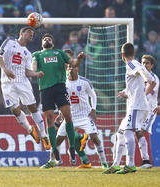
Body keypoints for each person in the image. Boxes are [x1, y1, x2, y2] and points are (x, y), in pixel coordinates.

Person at [40, 49, 108, 169]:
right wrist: (61, 112)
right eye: (69, 68)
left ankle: (104, 164)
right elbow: (60, 99)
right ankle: (52, 161)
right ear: (66, 69)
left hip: (85, 116)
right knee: (57, 141)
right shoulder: (63, 83)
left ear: (77, 68)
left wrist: (93, 110)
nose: (71, 69)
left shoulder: (85, 82)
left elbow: (93, 95)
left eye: (73, 67)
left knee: (96, 139)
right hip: (69, 118)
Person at [32, 33, 86, 165]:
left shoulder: (59, 53)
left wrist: (79, 59)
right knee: (49, 119)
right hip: (45, 90)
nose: (47, 39)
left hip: (60, 88)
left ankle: (72, 148)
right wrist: (34, 72)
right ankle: (55, 150)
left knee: (67, 115)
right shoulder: (37, 54)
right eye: (44, 39)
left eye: (49, 38)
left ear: (53, 43)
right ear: (42, 44)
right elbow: (33, 65)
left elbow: (73, 63)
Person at [103, 43, 155, 174]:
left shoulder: (131, 64)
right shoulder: (136, 63)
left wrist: (145, 79)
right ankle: (115, 165)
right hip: (135, 105)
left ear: (122, 55)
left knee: (128, 132)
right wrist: (127, 93)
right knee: (120, 133)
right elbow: (145, 81)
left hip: (137, 106)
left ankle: (130, 165)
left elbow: (145, 76)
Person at [0, 27, 51, 150]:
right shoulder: (9, 42)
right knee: (14, 109)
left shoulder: (27, 53)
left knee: (32, 107)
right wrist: (5, 69)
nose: (31, 35)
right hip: (7, 82)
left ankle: (44, 134)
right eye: (29, 32)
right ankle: (30, 129)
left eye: (32, 34)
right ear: (21, 33)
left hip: (23, 82)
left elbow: (27, 71)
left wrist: (36, 74)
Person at [136, 55, 159, 168]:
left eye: (147, 63)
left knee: (140, 132)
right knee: (137, 133)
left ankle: (146, 161)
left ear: (152, 65)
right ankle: (146, 161)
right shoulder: (139, 77)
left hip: (150, 111)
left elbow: (149, 95)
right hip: (140, 109)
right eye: (143, 62)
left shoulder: (154, 79)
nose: (144, 65)